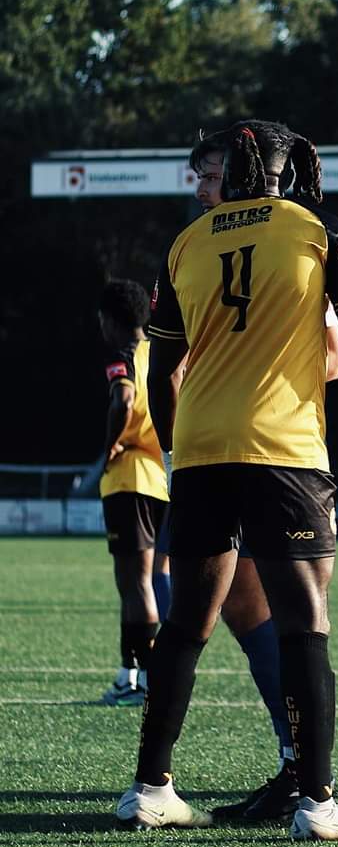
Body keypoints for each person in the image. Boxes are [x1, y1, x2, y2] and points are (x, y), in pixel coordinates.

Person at [115, 119, 338, 837]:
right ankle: (318, 801)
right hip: (283, 449)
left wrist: (183, 451)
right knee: (306, 620)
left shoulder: (190, 241)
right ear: (288, 169)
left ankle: (150, 787)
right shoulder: (317, 227)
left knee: (187, 620)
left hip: (203, 450)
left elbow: (162, 368)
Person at [179, 130, 338, 826]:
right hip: (214, 452)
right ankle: (293, 761)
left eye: (211, 173)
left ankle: (310, 780)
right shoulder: (196, 249)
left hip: (284, 449)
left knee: (295, 610)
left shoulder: (296, 243)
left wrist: (257, 370)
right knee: (243, 607)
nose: (201, 186)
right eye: (196, 175)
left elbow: (337, 354)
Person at [97, 280, 169, 706]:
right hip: (160, 479)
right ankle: (132, 676)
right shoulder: (158, 353)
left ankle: (142, 682)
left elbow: (123, 400)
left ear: (110, 320)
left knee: (135, 584)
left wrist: (110, 444)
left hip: (130, 481)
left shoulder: (122, 356)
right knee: (145, 581)